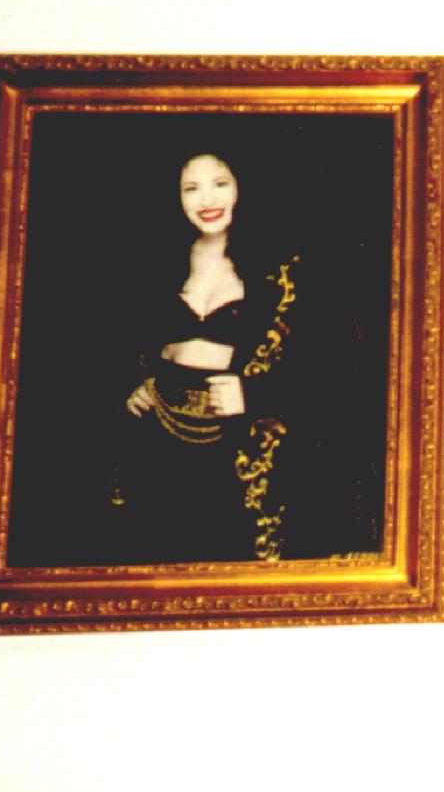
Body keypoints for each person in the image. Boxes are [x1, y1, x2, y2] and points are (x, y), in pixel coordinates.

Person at [113, 150, 304, 562]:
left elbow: (325, 366)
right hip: (158, 436)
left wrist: (254, 395)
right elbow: (120, 340)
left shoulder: (281, 268)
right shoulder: (154, 259)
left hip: (236, 449)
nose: (207, 200)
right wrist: (134, 387)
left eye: (220, 183)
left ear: (243, 187)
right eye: (191, 188)